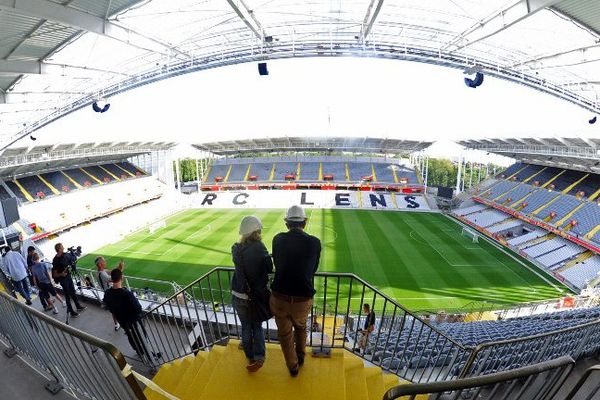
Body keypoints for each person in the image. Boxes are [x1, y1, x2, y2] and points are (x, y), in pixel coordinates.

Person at [270, 205, 321, 377]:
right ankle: (301, 355)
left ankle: (293, 367)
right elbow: (312, 270)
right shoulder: (314, 242)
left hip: (279, 297)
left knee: (284, 335)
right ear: (304, 223)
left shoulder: (277, 239)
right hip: (302, 299)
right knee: (301, 327)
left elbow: (277, 263)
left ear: (286, 223)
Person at [231, 215, 273, 372]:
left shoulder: (235, 248)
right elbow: (269, 268)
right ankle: (259, 357)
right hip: (253, 296)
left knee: (245, 327)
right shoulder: (259, 247)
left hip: (237, 295)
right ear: (256, 231)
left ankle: (249, 356)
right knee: (256, 327)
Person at [103, 268, 154, 360]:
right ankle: (149, 356)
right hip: (133, 322)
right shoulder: (127, 294)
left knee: (131, 336)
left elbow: (107, 306)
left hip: (122, 322)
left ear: (112, 278)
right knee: (142, 337)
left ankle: (139, 351)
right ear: (121, 278)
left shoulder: (107, 293)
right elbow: (138, 309)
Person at [52, 243, 85, 318]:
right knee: (67, 296)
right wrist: (61, 275)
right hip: (63, 280)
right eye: (62, 247)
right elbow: (54, 274)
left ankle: (78, 306)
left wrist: (74, 253)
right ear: (59, 249)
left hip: (68, 277)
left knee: (73, 292)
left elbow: (73, 259)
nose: (63, 248)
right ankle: (71, 312)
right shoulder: (55, 260)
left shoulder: (65, 255)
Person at [95, 256, 122, 331]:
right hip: (111, 293)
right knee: (116, 309)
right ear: (100, 264)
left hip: (109, 293)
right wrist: (120, 269)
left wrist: (118, 268)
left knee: (114, 309)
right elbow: (114, 278)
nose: (105, 262)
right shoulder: (102, 274)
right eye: (103, 261)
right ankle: (119, 323)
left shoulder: (101, 272)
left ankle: (117, 324)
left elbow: (111, 272)